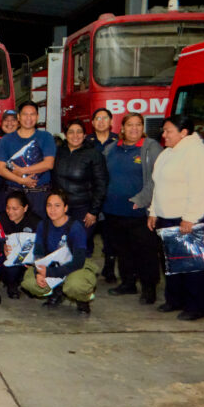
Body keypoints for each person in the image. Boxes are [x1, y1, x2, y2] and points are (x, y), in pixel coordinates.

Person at [148, 115, 204, 320]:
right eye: (163, 131)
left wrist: (190, 218)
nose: (164, 135)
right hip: (167, 216)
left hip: (188, 216)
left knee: (191, 264)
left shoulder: (196, 152)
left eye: (168, 131)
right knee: (172, 263)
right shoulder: (168, 153)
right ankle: (175, 300)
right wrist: (154, 211)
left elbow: (200, 189)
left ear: (184, 132)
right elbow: (158, 185)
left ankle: (196, 307)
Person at [102, 112, 162, 304]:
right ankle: (128, 283)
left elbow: (158, 178)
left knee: (145, 253)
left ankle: (149, 288)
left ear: (142, 128)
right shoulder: (111, 149)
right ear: (122, 128)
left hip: (139, 213)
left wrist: (142, 199)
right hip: (113, 211)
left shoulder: (150, 147)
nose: (134, 129)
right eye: (130, 125)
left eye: (138, 125)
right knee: (123, 251)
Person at [21, 189, 98, 315]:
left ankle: (83, 298)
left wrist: (50, 272)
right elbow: (38, 253)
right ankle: (57, 291)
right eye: (49, 205)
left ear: (65, 208)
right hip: (53, 264)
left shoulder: (75, 228)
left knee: (75, 286)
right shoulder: (43, 225)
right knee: (29, 282)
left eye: (57, 206)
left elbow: (78, 262)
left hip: (75, 266)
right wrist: (38, 272)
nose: (52, 210)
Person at [52, 120, 107, 251]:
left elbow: (101, 184)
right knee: (61, 247)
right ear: (65, 135)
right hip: (62, 209)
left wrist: (93, 212)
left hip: (83, 210)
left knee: (79, 245)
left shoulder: (93, 154)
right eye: (71, 132)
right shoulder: (58, 152)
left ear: (84, 135)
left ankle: (83, 271)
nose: (75, 135)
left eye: (79, 132)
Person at [0, 101, 56, 219]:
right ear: (18, 117)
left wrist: (23, 171)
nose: (29, 118)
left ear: (37, 117)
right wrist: (21, 180)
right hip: (14, 196)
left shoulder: (46, 137)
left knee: (40, 231)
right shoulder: (6, 140)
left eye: (32, 114)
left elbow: (49, 164)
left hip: (40, 195)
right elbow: (0, 169)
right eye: (25, 114)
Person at [84, 108, 119, 281]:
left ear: (111, 122)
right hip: (90, 195)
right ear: (92, 123)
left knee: (110, 235)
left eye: (105, 118)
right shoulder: (86, 142)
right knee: (87, 233)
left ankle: (109, 268)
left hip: (111, 195)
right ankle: (86, 268)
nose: (101, 121)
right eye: (97, 118)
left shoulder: (119, 142)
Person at [0, 190, 41, 299]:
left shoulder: (36, 222)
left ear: (25, 208)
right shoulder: (1, 219)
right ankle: (11, 285)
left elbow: (43, 246)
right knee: (10, 268)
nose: (10, 212)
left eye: (15, 209)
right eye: (8, 208)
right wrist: (2, 247)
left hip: (29, 262)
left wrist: (34, 261)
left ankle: (28, 284)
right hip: (9, 260)